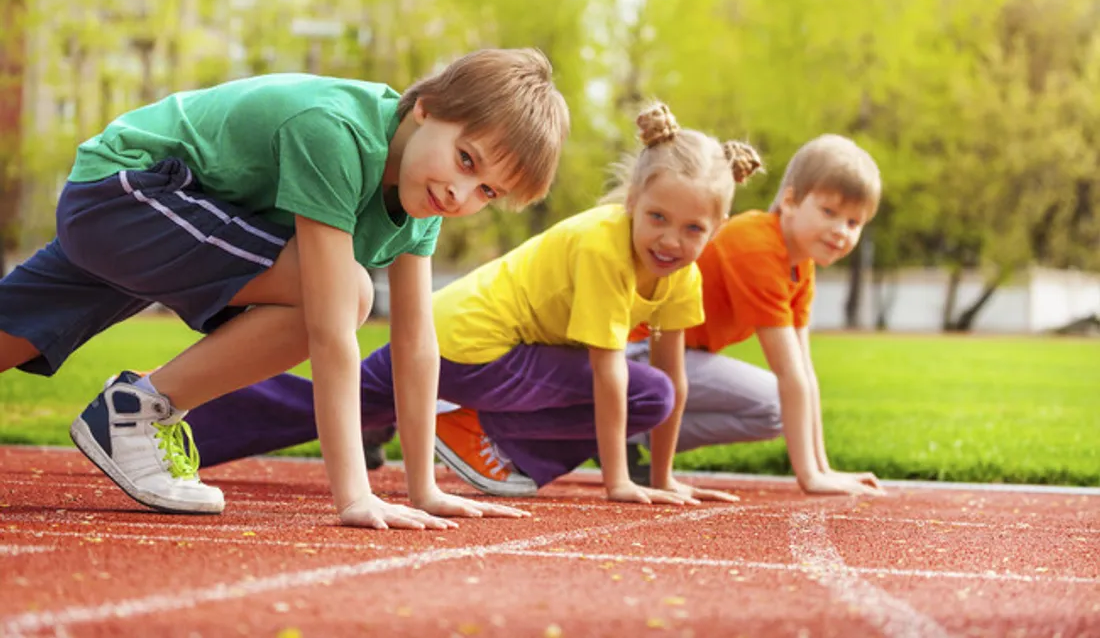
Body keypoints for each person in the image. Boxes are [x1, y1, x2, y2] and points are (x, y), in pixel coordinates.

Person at [0, 48, 569, 528]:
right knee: (347, 294)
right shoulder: (336, 132)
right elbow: (327, 325)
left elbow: (416, 344)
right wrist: (354, 496)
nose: (460, 194)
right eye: (466, 159)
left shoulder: (423, 199)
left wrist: (423, 488)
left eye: (487, 192)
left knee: (13, 333)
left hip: (153, 217)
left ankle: (135, 409)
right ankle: (136, 410)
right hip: (128, 192)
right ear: (426, 110)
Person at [181, 102, 762, 506]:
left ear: (718, 227)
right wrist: (619, 483)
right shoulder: (602, 247)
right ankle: (480, 439)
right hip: (474, 347)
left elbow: (677, 376)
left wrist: (665, 477)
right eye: (657, 217)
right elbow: (611, 376)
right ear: (634, 200)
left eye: (692, 229)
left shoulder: (679, 270)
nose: (670, 239)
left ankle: (177, 433)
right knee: (645, 393)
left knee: (333, 402)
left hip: (456, 338)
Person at [621, 134, 886, 495]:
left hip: (679, 356)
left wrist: (826, 468)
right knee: (777, 399)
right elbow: (788, 374)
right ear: (790, 200)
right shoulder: (756, 246)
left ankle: (633, 435)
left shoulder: (799, 265)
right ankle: (608, 421)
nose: (841, 231)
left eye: (854, 223)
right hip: (637, 350)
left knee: (774, 410)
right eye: (829, 212)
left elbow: (806, 370)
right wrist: (809, 477)